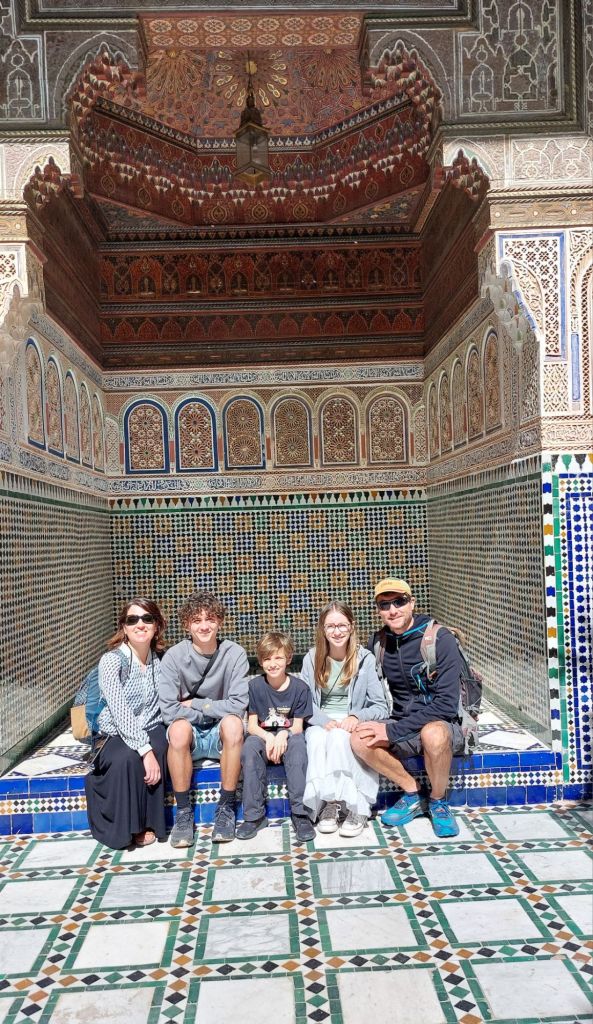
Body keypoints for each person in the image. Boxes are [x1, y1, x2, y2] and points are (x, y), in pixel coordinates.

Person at [351, 578, 465, 838]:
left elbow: (447, 705)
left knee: (433, 734)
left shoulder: (440, 639)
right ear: (378, 611)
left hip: (442, 724)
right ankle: (413, 792)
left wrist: (391, 732)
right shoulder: (379, 642)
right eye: (385, 605)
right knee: (359, 738)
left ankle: (438, 801)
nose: (393, 610)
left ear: (412, 603)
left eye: (399, 602)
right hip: (402, 722)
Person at [159, 591, 249, 847]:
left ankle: (226, 807)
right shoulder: (174, 656)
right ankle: (183, 813)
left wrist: (197, 704)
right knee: (178, 729)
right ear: (187, 625)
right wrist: (208, 711)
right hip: (191, 735)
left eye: (210, 619)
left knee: (233, 724)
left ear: (220, 621)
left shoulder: (234, 653)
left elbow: (238, 705)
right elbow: (169, 710)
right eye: (197, 620)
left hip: (221, 732)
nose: (204, 626)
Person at [85, 598, 168, 850]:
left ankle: (149, 822)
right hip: (113, 732)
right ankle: (124, 827)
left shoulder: (161, 659)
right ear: (124, 627)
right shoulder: (112, 661)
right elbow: (120, 711)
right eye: (132, 620)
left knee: (162, 746)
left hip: (151, 724)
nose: (140, 624)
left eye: (147, 619)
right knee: (127, 759)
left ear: (156, 625)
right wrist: (144, 750)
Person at [301, 601, 388, 837]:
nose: (337, 631)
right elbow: (303, 702)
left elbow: (380, 706)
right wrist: (321, 720)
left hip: (352, 721)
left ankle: (358, 807)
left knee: (339, 738)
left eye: (342, 625)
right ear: (322, 629)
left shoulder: (365, 659)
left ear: (351, 626)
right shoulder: (312, 658)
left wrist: (356, 716)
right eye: (330, 626)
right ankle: (329, 804)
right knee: (316, 739)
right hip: (321, 720)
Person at [236, 631, 315, 843]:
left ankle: (300, 814)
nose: (273, 664)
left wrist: (282, 735)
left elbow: (297, 726)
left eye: (278, 657)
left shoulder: (300, 688)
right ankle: (253, 816)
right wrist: (269, 738)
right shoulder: (254, 687)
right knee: (249, 748)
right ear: (261, 661)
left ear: (288, 659)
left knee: (298, 748)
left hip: (289, 735)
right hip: (263, 736)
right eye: (267, 658)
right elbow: (252, 726)